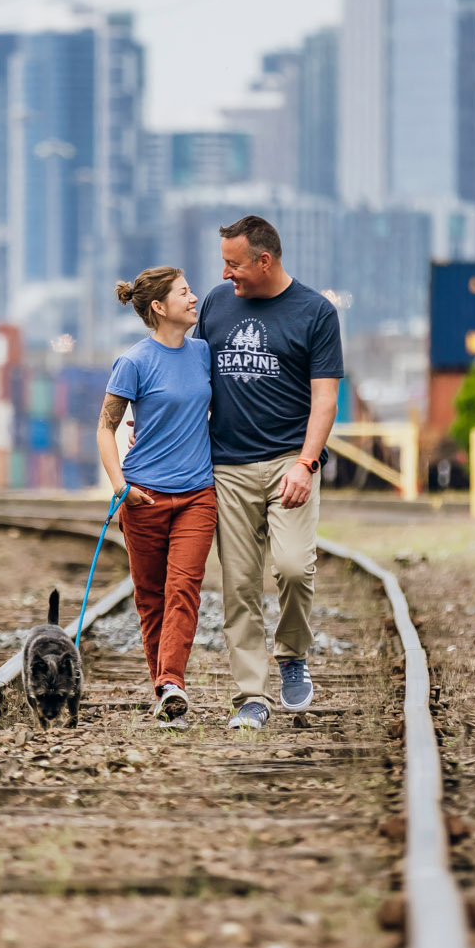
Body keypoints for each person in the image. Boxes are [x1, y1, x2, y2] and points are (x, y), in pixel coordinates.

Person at [195, 215, 343, 731]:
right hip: (228, 465)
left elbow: (325, 397)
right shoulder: (216, 304)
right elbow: (197, 377)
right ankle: (251, 696)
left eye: (234, 264)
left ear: (265, 260)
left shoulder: (315, 312)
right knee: (238, 586)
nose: (225, 273)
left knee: (294, 568)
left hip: (289, 462)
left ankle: (293, 655)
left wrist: (307, 462)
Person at [95, 266, 218, 721]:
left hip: (197, 496)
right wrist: (120, 486)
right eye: (184, 293)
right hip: (142, 496)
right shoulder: (134, 362)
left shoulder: (204, 353)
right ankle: (166, 690)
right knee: (151, 597)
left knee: (184, 588)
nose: (194, 298)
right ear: (159, 307)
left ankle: (171, 684)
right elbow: (106, 428)